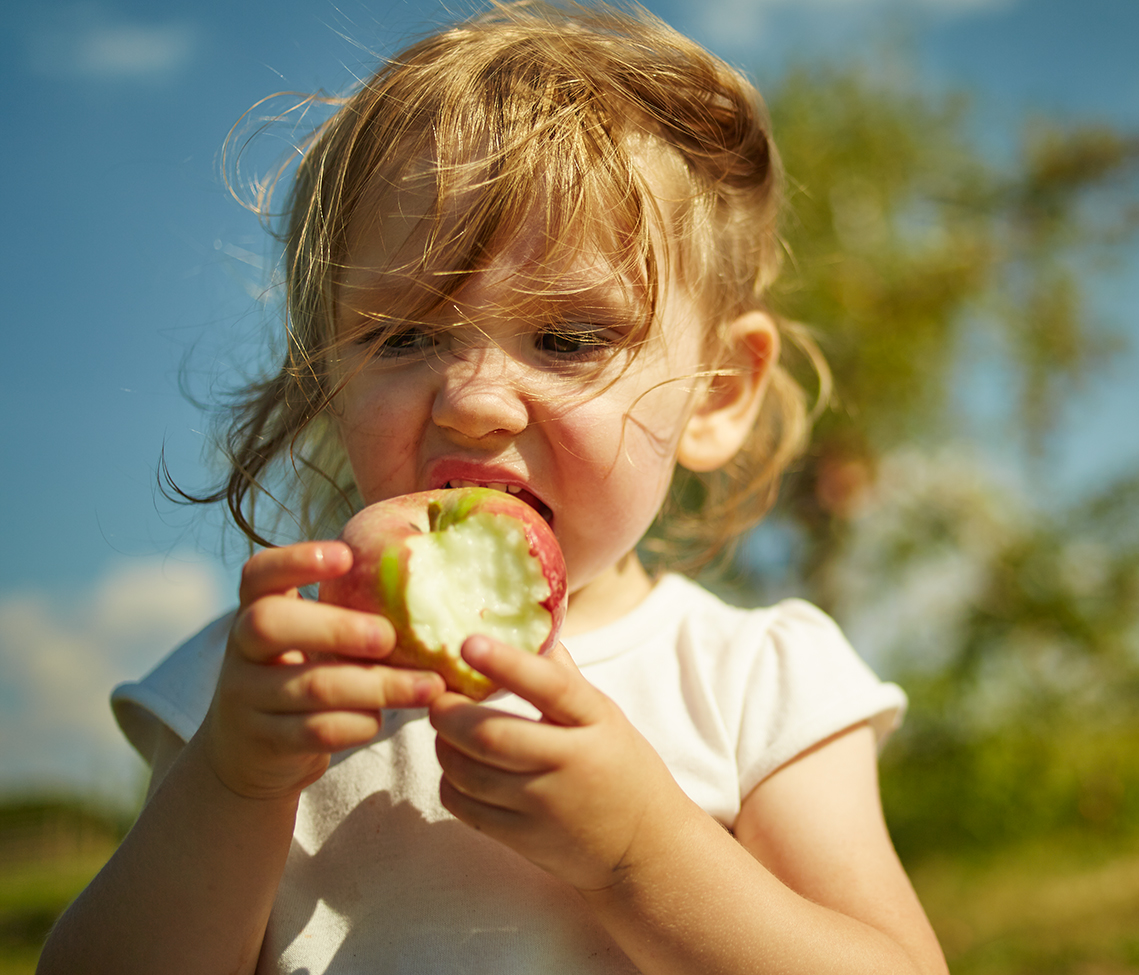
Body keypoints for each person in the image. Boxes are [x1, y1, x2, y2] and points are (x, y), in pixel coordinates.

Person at [39, 3, 948, 973]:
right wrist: (232, 783)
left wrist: (646, 851)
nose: (474, 402)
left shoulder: (752, 682)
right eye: (404, 336)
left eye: (566, 339)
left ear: (717, 393)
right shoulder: (260, 683)